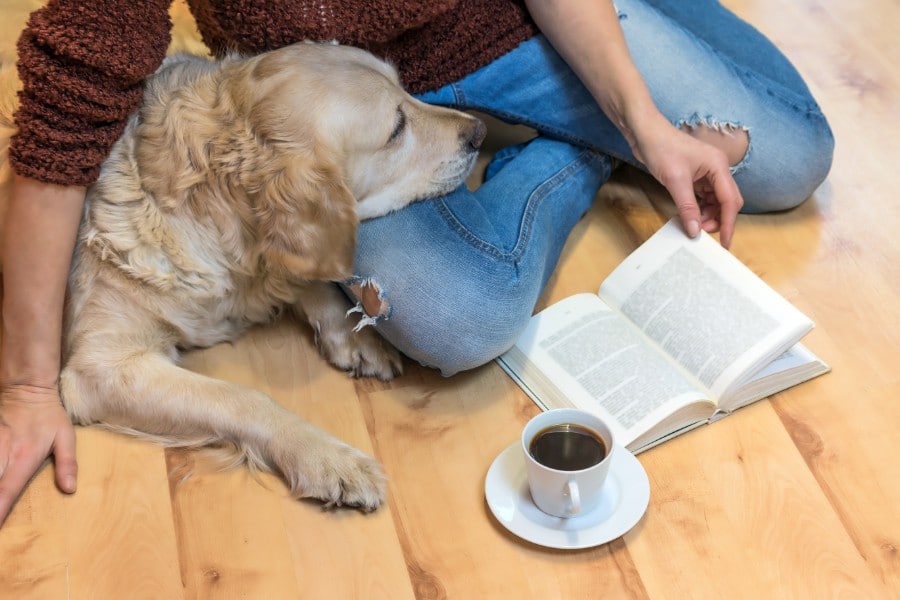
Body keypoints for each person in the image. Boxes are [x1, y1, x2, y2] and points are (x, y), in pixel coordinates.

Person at [0, 0, 833, 525]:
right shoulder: (296, 177)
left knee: (786, 161)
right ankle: (572, 152)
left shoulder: (339, 163)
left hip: (510, 33)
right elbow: (67, 102)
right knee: (451, 315)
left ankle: (622, 59)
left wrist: (646, 124)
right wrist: (32, 386)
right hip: (353, 113)